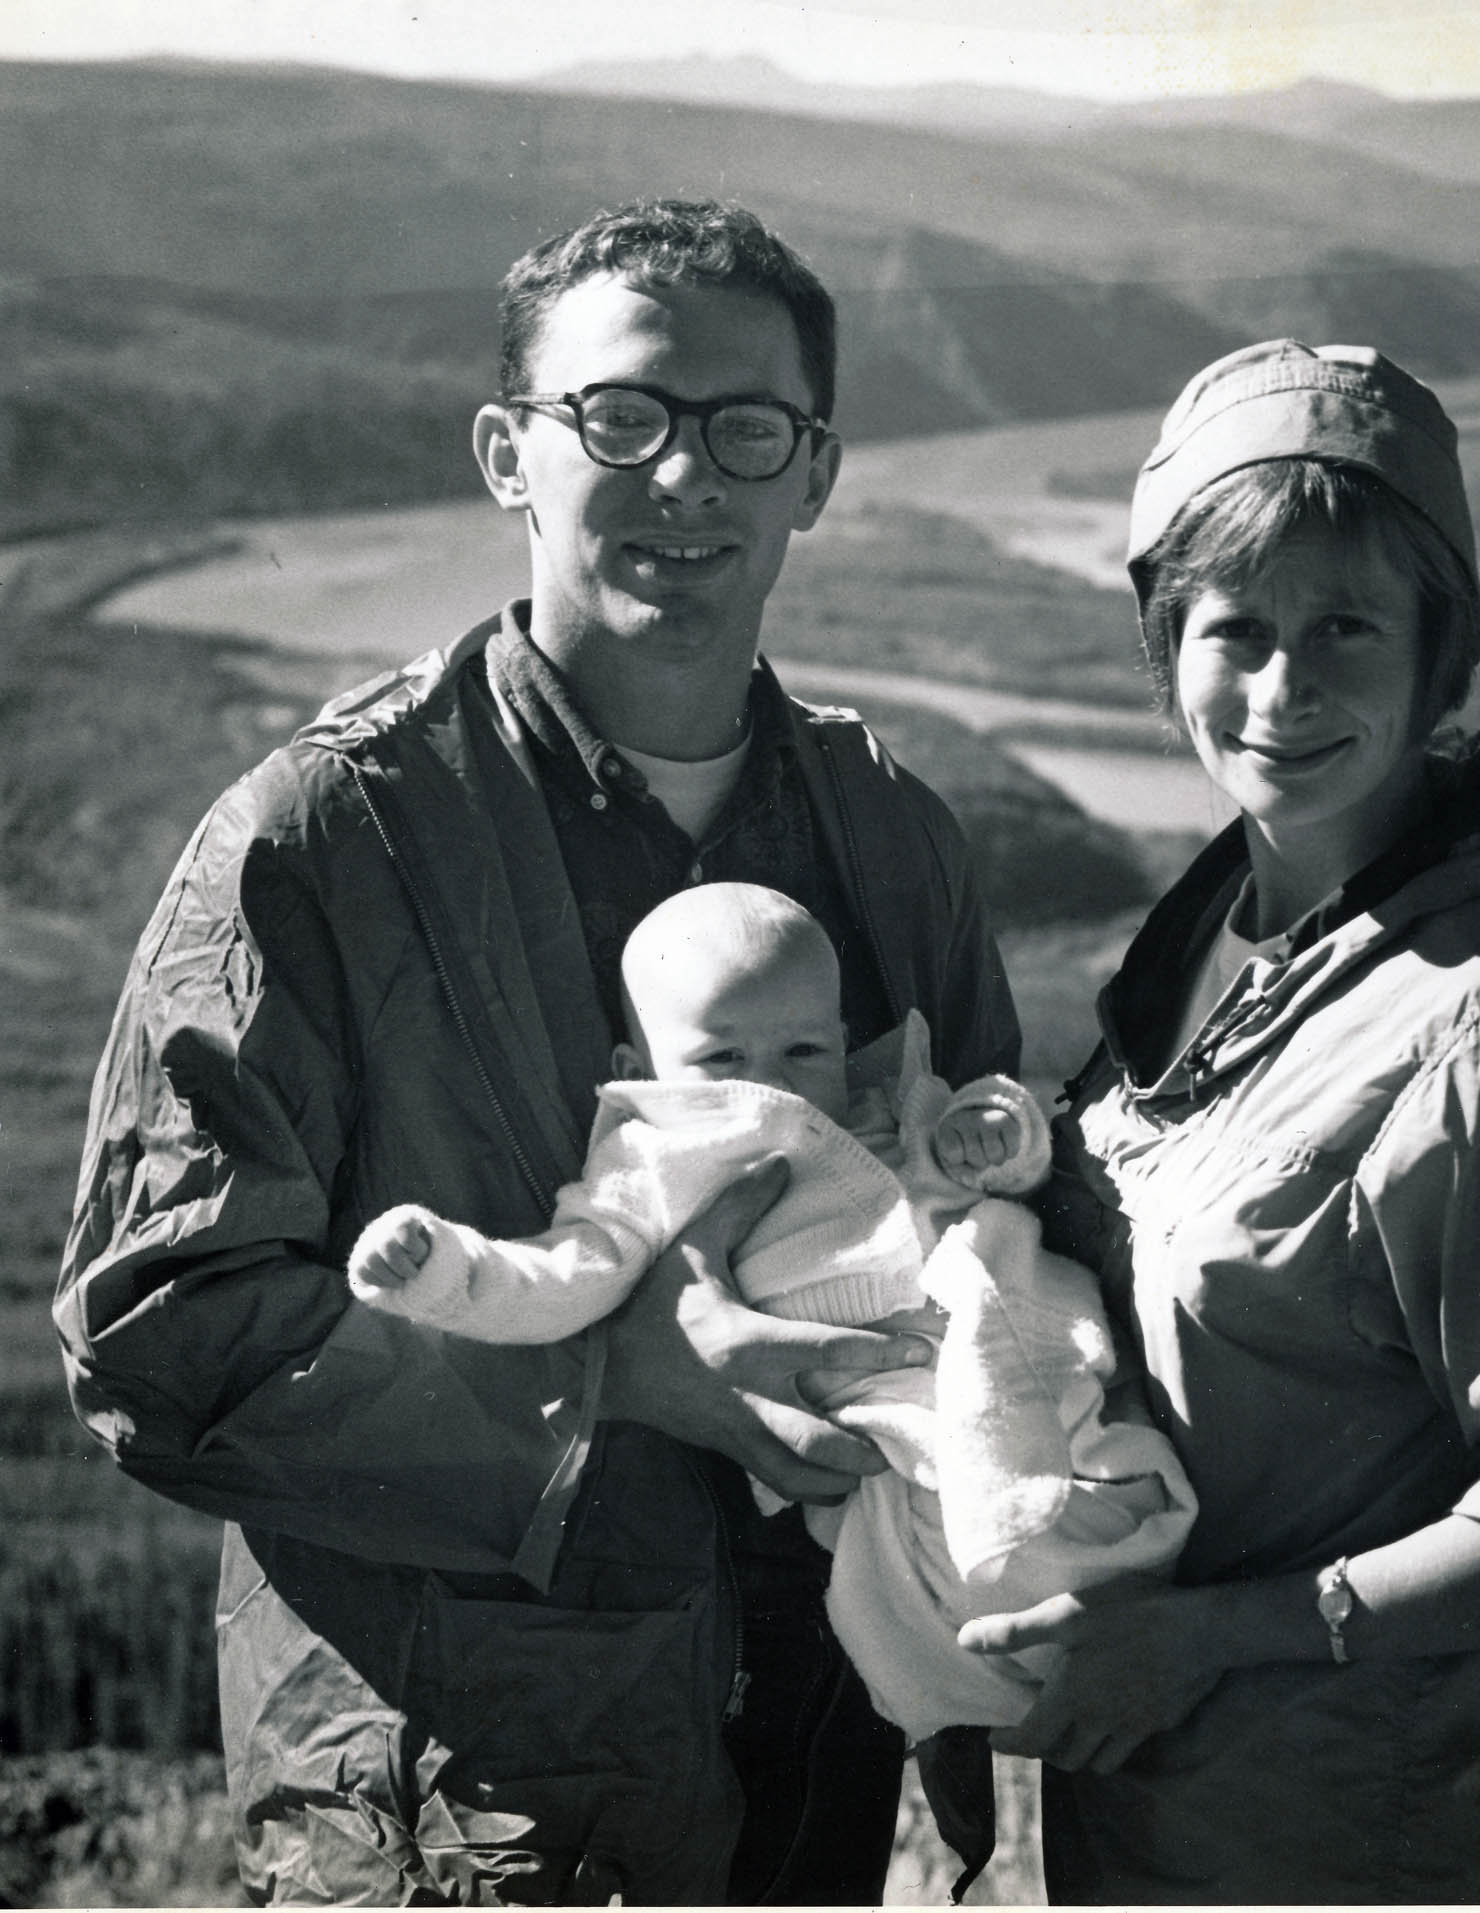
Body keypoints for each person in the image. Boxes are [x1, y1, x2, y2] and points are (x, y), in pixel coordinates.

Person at [55, 199, 1017, 1904]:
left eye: (747, 428)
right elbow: (159, 1331)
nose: (684, 477)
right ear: (510, 453)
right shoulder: (323, 840)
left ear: (818, 472)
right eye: (621, 417)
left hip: (812, 1772)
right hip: (457, 1821)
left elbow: (980, 1240)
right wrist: (608, 1378)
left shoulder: (890, 838)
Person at [959, 339, 1480, 1901]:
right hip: (1171, 1819)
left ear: (1439, 657)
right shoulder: (1222, 931)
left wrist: (1207, 1635)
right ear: (1163, 645)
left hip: (1376, 1843)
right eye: (1234, 626)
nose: (1281, 687)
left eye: (1345, 625)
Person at [347, 882, 1194, 1744]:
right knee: (943, 1585)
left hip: (1007, 1341)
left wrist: (993, 1128)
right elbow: (567, 1273)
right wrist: (447, 1269)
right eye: (723, 1059)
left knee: (1109, 1487)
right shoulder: (650, 1157)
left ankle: (1113, 1615)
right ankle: (1021, 1678)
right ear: (639, 1070)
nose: (772, 1086)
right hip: (886, 1429)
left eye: (802, 1049)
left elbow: (978, 1162)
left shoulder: (868, 1108)